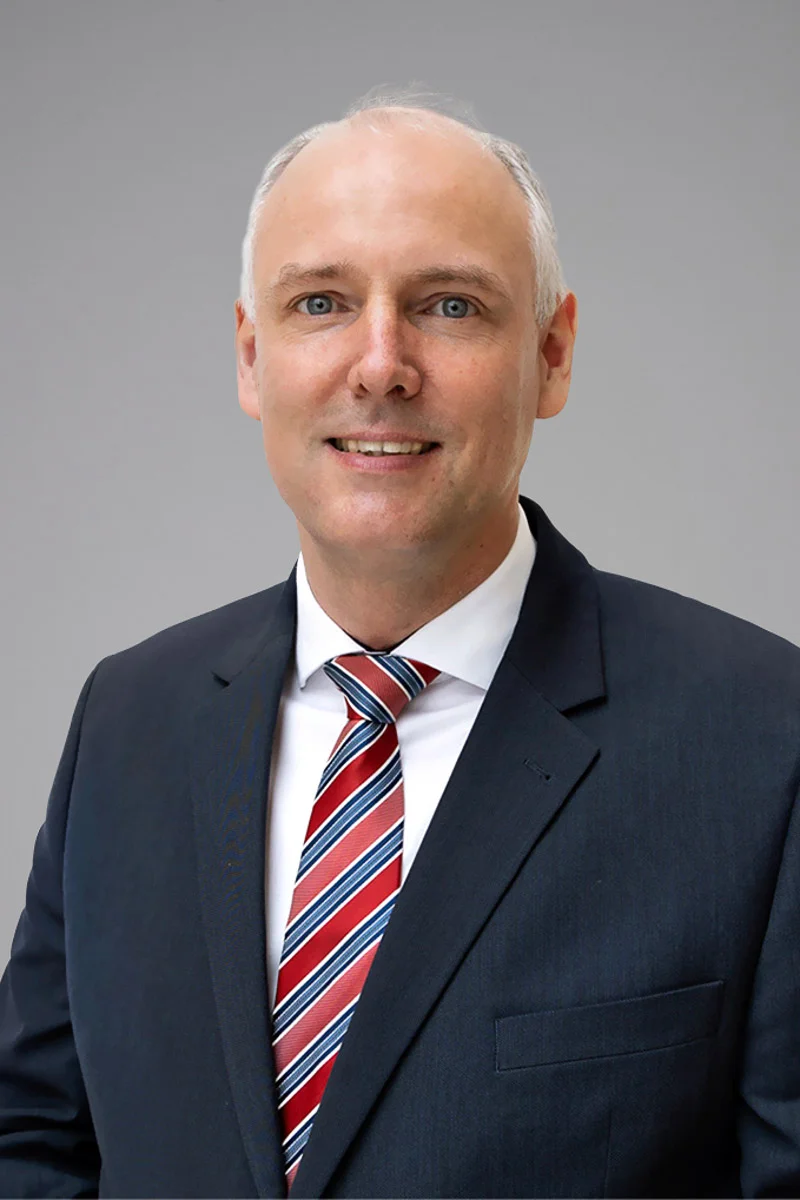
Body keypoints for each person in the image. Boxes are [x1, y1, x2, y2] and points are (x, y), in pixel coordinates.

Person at [0, 90, 798, 1200]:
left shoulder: (764, 744)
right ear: (250, 357)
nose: (379, 364)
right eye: (319, 302)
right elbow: (31, 1145)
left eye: (450, 306)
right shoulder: (129, 719)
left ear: (553, 353)